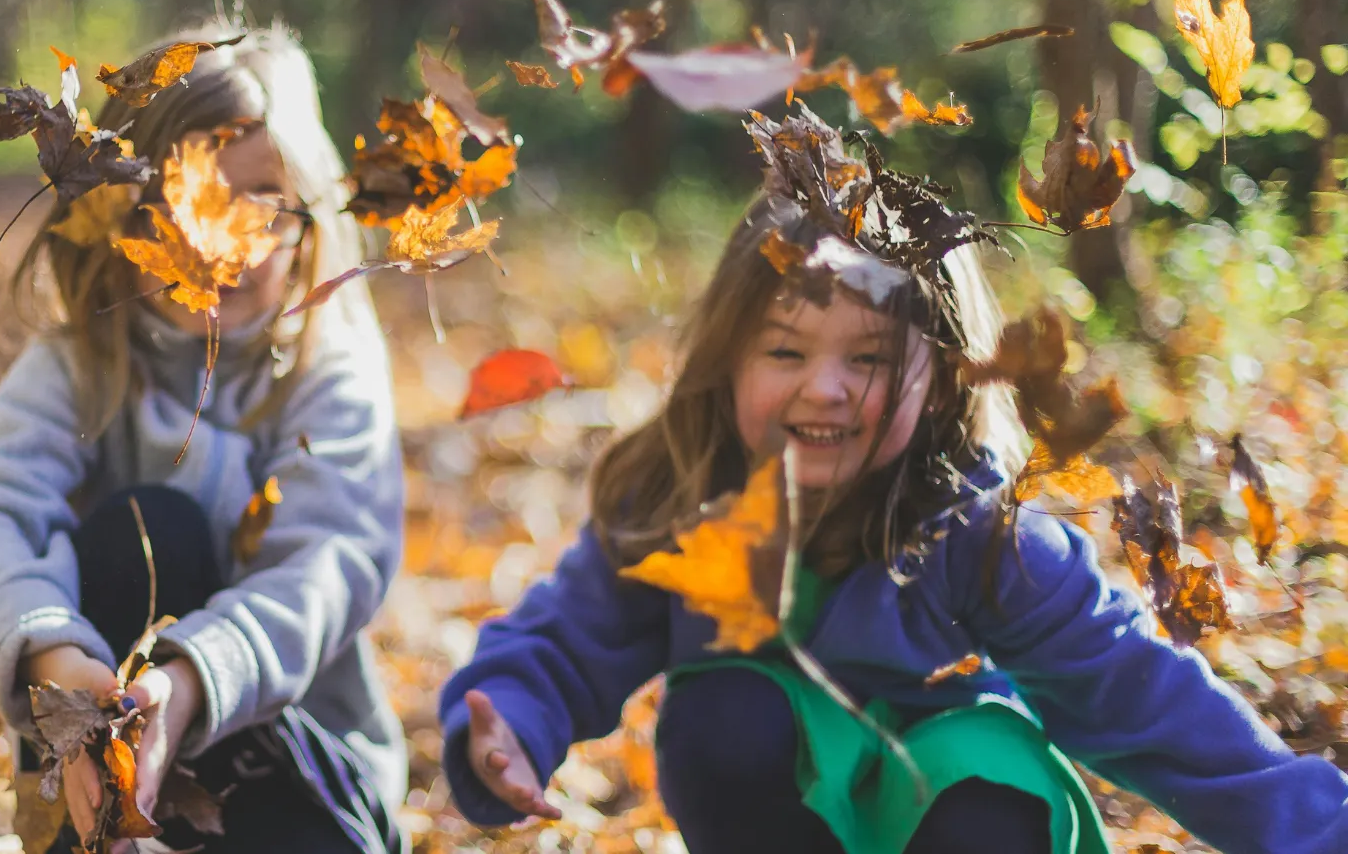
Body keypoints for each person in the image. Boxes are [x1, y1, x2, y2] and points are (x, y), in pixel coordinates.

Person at [438, 110, 1348, 854]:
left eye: (871, 359)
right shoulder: (685, 497)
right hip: (783, 799)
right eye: (786, 349)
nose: (824, 387)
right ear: (728, 358)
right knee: (725, 714)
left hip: (962, 805)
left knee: (984, 788)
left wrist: (1316, 829)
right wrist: (511, 722)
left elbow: (1144, 694)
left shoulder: (982, 533)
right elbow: (566, 636)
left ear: (945, 377)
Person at [0, 21, 406, 854]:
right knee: (146, 528)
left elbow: (328, 565)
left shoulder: (328, 373)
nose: (231, 238)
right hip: (103, 754)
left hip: (300, 775)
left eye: (264, 196)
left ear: (309, 204)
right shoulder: (84, 364)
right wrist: (53, 657)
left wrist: (191, 682)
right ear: (123, 207)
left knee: (173, 528)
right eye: (189, 196)